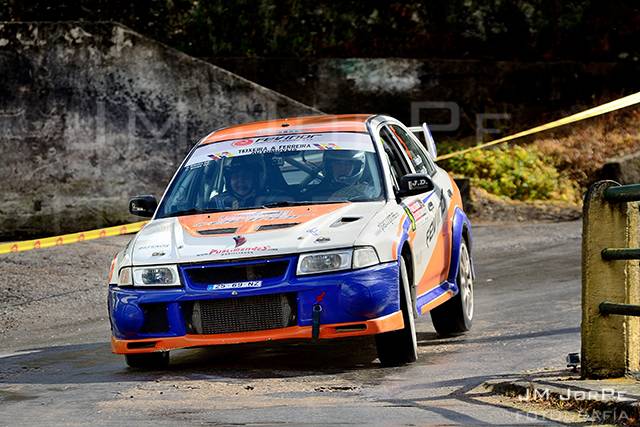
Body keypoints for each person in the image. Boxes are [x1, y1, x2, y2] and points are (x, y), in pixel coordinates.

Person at [307, 150, 376, 200]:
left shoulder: (370, 192)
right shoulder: (315, 192)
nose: (342, 168)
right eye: (338, 164)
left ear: (356, 167)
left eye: (347, 164)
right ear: (330, 166)